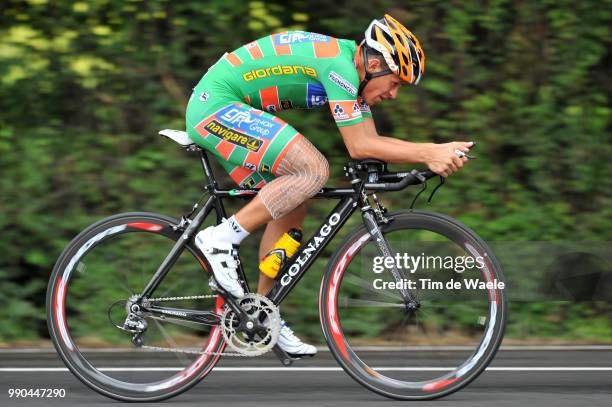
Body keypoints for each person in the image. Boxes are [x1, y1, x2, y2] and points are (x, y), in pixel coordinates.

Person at [185, 14, 473, 358]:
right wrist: (428, 151)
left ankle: (262, 316)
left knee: (292, 202)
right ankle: (219, 239)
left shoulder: (353, 78)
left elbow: (371, 141)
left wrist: (423, 160)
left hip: (229, 107)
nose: (394, 95)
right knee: (313, 170)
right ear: (375, 63)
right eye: (395, 83)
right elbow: (359, 146)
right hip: (216, 106)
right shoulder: (339, 68)